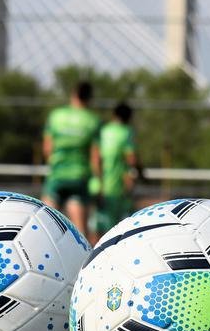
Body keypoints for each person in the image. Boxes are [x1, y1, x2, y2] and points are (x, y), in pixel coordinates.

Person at [42, 81, 101, 239]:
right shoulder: (93, 120)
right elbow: (95, 156)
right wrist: (98, 181)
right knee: (80, 232)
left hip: (57, 176)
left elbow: (47, 148)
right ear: (90, 98)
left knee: (45, 225)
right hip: (79, 178)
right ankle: (84, 261)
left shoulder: (56, 116)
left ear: (73, 94)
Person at [95, 102, 141, 235]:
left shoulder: (103, 131)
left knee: (99, 228)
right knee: (122, 228)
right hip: (118, 187)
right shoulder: (126, 132)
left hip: (100, 185)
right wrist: (139, 172)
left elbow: (96, 157)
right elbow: (131, 159)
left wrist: (97, 182)